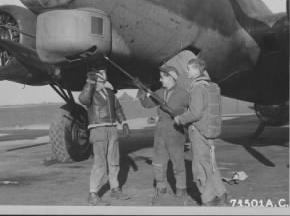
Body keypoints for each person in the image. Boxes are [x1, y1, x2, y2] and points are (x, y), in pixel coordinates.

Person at [174, 58, 227, 206]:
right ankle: (221, 194)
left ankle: (208, 199)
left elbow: (195, 113)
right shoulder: (212, 86)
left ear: (198, 70)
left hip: (198, 131)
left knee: (200, 167)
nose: (187, 71)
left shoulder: (197, 88)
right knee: (210, 163)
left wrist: (180, 118)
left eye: (189, 69)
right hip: (209, 131)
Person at [138, 65, 194, 205]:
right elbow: (146, 104)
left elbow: (192, 112)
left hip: (176, 131)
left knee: (178, 162)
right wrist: (140, 89)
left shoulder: (183, 93)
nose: (160, 79)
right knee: (158, 162)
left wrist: (180, 114)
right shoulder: (158, 92)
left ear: (170, 77)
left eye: (162, 77)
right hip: (160, 131)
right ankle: (161, 190)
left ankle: (181, 192)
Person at [79, 64, 131, 206]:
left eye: (104, 71)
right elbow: (83, 100)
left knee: (114, 161)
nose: (105, 73)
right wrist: (89, 82)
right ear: (96, 75)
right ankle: (93, 194)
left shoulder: (109, 92)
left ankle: (115, 188)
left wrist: (124, 123)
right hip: (98, 129)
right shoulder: (90, 91)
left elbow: (118, 108)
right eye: (102, 72)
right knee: (100, 164)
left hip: (112, 129)